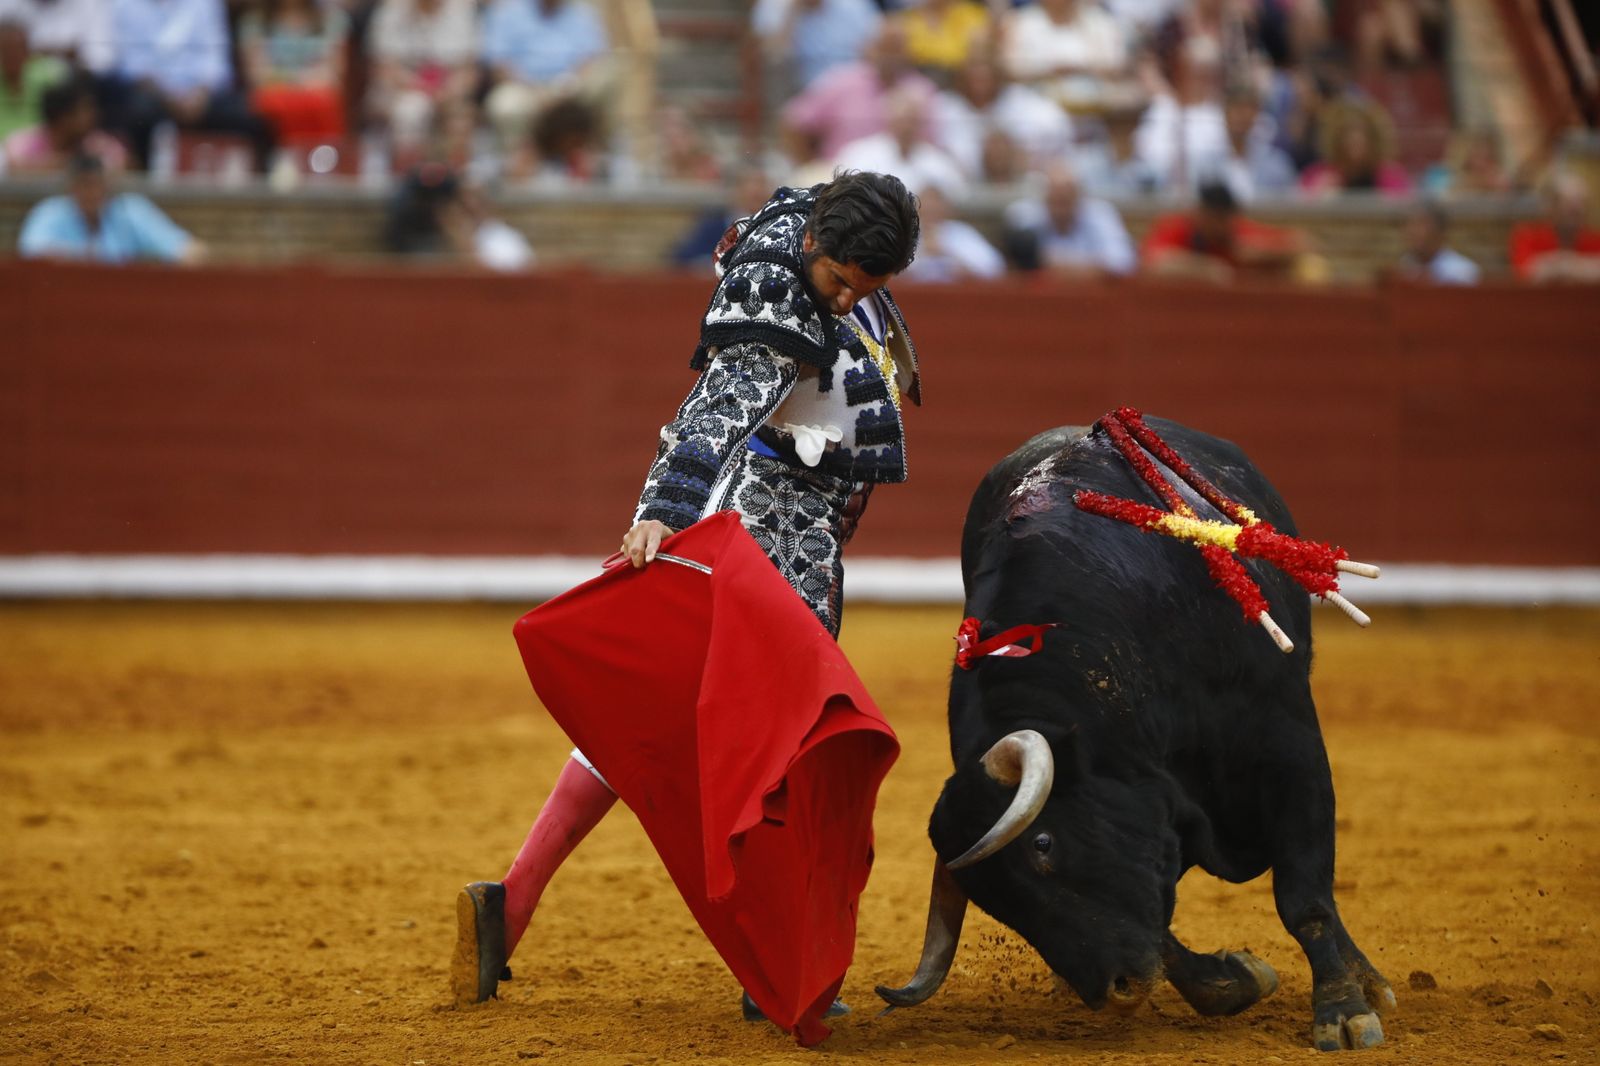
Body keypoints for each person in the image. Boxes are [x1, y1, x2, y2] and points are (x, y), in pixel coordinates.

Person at [451, 170, 923, 1023]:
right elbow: (716, 410)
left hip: (792, 526)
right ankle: (772, 964)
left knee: (676, 721)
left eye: (869, 287)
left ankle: (511, 902)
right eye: (842, 282)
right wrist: (662, 514)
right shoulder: (779, 300)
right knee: (787, 740)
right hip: (770, 533)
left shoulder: (815, 222)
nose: (850, 297)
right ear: (816, 245)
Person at [18, 151, 206, 263]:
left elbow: (190, 250)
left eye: (96, 184)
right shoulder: (50, 213)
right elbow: (33, 255)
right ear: (71, 188)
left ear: (107, 186)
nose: (91, 192)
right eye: (84, 185)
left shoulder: (130, 211)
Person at [367, 0, 479, 164]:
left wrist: (449, 91)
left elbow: (470, 69)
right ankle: (410, 177)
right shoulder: (391, 9)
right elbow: (384, 68)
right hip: (402, 91)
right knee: (411, 110)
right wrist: (421, 88)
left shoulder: (463, 9)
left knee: (459, 119)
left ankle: (455, 179)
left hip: (450, 90)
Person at [1141, 178, 1305, 283]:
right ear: (1200, 213)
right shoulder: (1178, 226)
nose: (1218, 226)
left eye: (1222, 219)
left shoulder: (1238, 233)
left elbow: (1302, 242)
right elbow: (1154, 262)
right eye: (1212, 218)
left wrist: (1260, 253)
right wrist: (1209, 269)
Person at [238, 0, 349, 146]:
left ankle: (325, 158)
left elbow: (332, 74)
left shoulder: (331, 18)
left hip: (318, 102)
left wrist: (284, 79)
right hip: (273, 103)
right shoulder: (254, 21)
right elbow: (258, 76)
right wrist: (302, 80)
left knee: (324, 101)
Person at [1001, 161, 1136, 277]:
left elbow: (1123, 261)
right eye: (1056, 197)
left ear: (1079, 196)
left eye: (1066, 198)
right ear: (1045, 197)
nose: (1061, 205)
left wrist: (1049, 262)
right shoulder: (1026, 215)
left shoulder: (1100, 214)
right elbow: (1014, 261)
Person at [3, 72, 127, 174]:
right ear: (63, 117)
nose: (93, 116)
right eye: (85, 110)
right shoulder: (24, 142)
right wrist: (70, 163)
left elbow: (119, 163)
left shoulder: (96, 143)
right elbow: (12, 165)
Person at [900, 181, 1003, 282]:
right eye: (925, 206)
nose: (931, 210)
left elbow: (994, 267)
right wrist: (921, 253)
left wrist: (945, 252)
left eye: (936, 205)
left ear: (946, 207)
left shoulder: (962, 233)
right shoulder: (904, 234)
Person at [1509, 171, 1600, 284]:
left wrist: (1560, 264)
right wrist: (1583, 266)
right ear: (1551, 207)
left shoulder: (1595, 238)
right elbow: (1526, 272)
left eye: (1582, 203)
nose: (1578, 210)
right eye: (1569, 205)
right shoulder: (1528, 235)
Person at [1393, 201, 1478, 285]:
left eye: (1422, 224)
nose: (1414, 231)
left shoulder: (1462, 271)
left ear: (1440, 231)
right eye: (1411, 225)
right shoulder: (1404, 266)